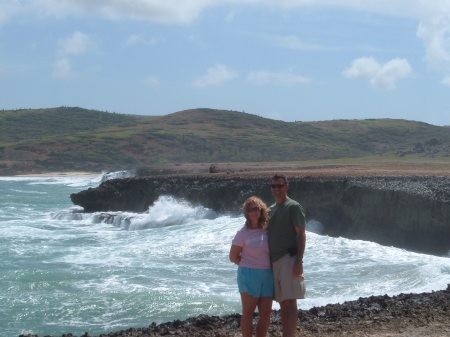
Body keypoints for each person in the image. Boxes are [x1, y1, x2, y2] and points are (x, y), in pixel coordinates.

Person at [267, 173, 306, 337]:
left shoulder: (293, 207)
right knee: (283, 303)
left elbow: (301, 234)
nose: (277, 189)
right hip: (274, 261)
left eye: (280, 185)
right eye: (274, 186)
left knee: (290, 302)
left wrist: (299, 260)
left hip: (289, 259)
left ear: (286, 187)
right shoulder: (270, 210)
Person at [229, 196, 274, 337]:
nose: (254, 212)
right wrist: (248, 264)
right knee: (248, 312)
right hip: (249, 274)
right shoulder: (242, 233)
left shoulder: (267, 229)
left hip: (267, 274)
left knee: (266, 313)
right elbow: (233, 256)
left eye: (256, 209)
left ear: (261, 210)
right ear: (246, 213)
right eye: (250, 210)